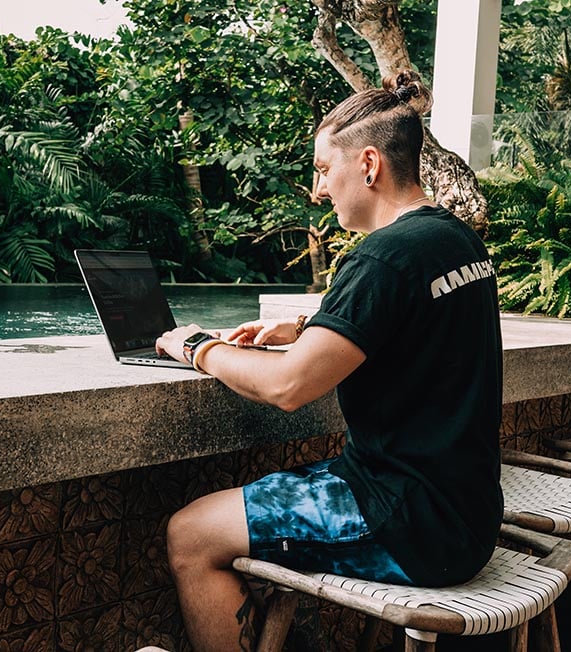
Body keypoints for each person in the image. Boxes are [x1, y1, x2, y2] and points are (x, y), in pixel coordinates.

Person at [154, 70, 503, 651]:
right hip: (463, 509)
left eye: (322, 169)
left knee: (190, 535)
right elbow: (409, 320)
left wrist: (196, 346)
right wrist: (305, 326)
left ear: (368, 165)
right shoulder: (453, 237)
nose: (318, 190)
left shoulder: (383, 257)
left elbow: (289, 385)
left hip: (405, 521)